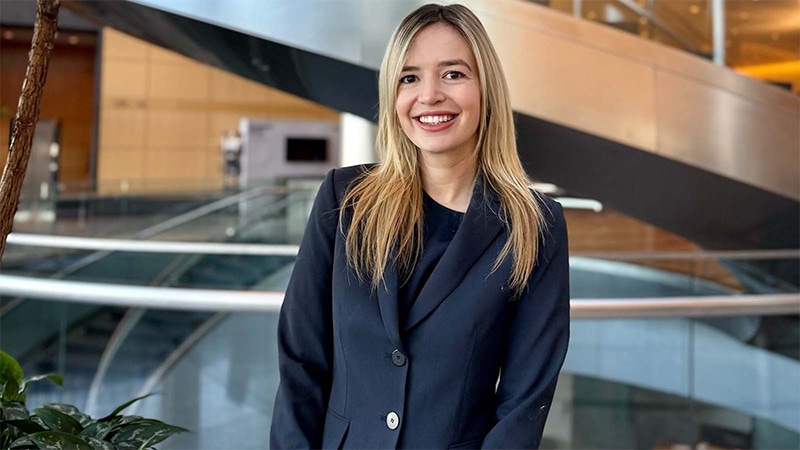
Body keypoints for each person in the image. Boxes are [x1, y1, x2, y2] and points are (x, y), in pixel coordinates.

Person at [270, 4, 570, 449]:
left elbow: (524, 403)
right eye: (409, 78)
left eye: (453, 74)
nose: (429, 95)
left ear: (486, 88)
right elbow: (301, 363)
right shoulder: (345, 199)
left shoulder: (534, 224)